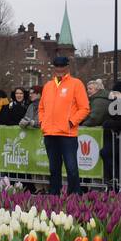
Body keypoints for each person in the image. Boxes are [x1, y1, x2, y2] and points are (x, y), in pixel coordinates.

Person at [38, 56, 89, 195]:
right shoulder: (48, 86)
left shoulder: (76, 84)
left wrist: (71, 122)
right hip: (50, 134)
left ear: (67, 67)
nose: (59, 69)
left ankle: (74, 196)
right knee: (54, 169)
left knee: (71, 169)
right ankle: (54, 196)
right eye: (57, 67)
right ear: (54, 68)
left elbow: (84, 108)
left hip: (68, 135)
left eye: (62, 67)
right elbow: (41, 108)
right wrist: (43, 123)